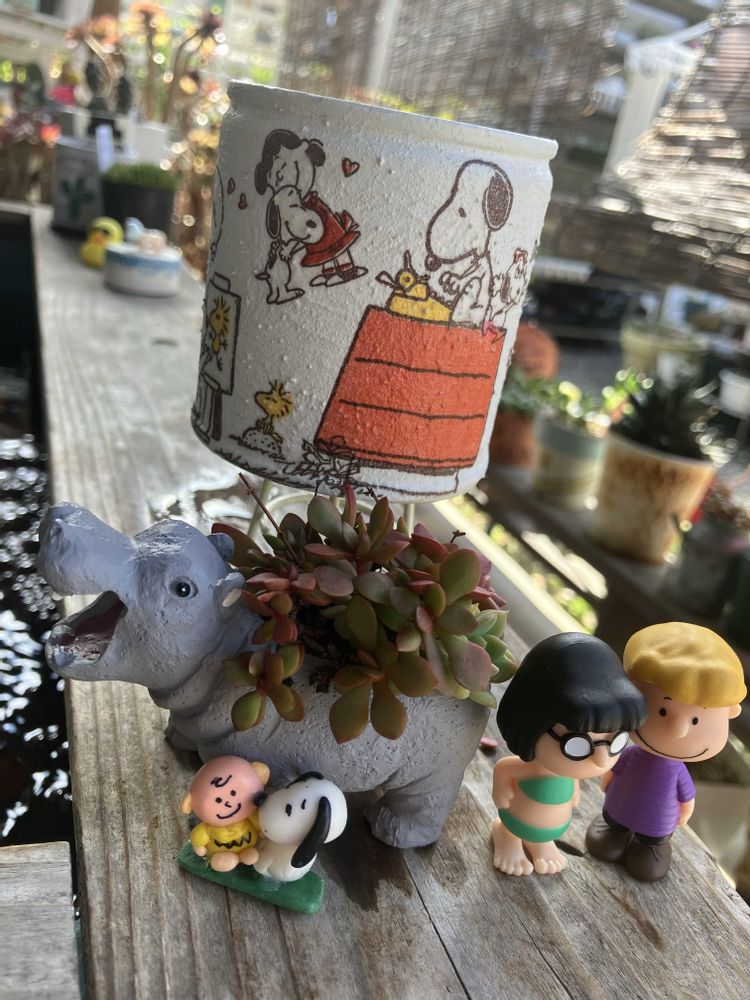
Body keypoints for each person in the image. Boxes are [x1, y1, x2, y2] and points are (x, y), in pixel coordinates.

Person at [586, 622, 746, 881]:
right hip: (617, 808)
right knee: (606, 840)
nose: (679, 729)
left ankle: (650, 847)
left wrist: (683, 814)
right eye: (662, 710)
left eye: (696, 720)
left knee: (646, 863)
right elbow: (613, 769)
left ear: (730, 713)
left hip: (657, 823)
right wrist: (607, 781)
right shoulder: (631, 755)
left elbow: (686, 798)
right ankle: (613, 830)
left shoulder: (676, 772)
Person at [492, 633, 647, 876]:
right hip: (516, 818)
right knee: (513, 828)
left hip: (552, 824)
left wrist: (574, 789)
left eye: (616, 740)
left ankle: (541, 842)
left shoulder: (569, 771)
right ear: (532, 722)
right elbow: (504, 767)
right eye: (578, 744)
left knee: (546, 829)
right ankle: (506, 835)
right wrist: (500, 788)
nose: (602, 759)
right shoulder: (529, 767)